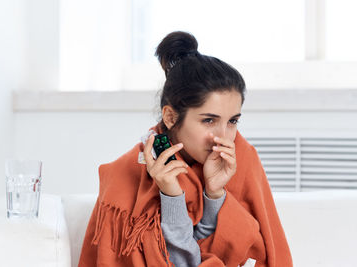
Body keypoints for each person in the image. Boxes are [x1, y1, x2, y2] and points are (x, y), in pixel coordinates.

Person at [78, 31, 293, 267]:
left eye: (232, 121)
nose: (223, 136)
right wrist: (172, 196)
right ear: (170, 117)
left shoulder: (241, 158)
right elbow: (182, 263)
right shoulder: (127, 175)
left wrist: (214, 194)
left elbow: (225, 256)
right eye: (208, 121)